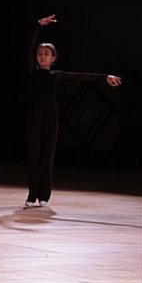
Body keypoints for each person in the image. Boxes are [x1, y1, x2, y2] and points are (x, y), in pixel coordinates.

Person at [24, 14, 122, 209]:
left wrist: (105, 78)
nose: (42, 56)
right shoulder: (33, 73)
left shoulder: (55, 75)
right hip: (35, 116)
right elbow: (29, 46)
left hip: (50, 116)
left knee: (47, 156)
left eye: (46, 54)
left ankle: (44, 195)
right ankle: (32, 194)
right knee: (34, 156)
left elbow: (80, 76)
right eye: (39, 54)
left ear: (53, 58)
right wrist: (38, 26)